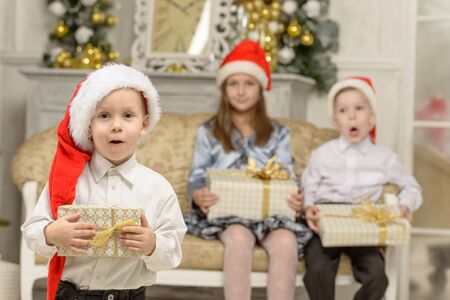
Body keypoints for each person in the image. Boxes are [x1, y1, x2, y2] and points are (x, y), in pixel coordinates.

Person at [21, 64, 187, 300]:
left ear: (144, 123)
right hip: (72, 294)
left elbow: (173, 251)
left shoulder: (158, 189)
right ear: (89, 127)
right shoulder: (67, 182)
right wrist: (51, 233)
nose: (116, 125)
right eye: (104, 116)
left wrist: (152, 245)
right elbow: (31, 232)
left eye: (128, 115)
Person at [184, 40, 312, 300]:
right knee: (239, 239)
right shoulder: (208, 131)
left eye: (249, 84)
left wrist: (296, 196)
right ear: (224, 89)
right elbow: (197, 176)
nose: (241, 91)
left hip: (270, 213)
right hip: (227, 213)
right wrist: (198, 194)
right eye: (233, 84)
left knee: (286, 242)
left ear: (260, 89)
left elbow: (288, 175)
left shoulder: (279, 133)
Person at [301, 76, 423, 300]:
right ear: (334, 120)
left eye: (359, 108)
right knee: (318, 269)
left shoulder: (384, 158)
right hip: (326, 219)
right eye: (343, 110)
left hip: (362, 223)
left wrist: (405, 206)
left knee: (378, 276)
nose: (352, 116)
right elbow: (309, 184)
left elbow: (411, 186)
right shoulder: (323, 154)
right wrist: (308, 206)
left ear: (372, 118)